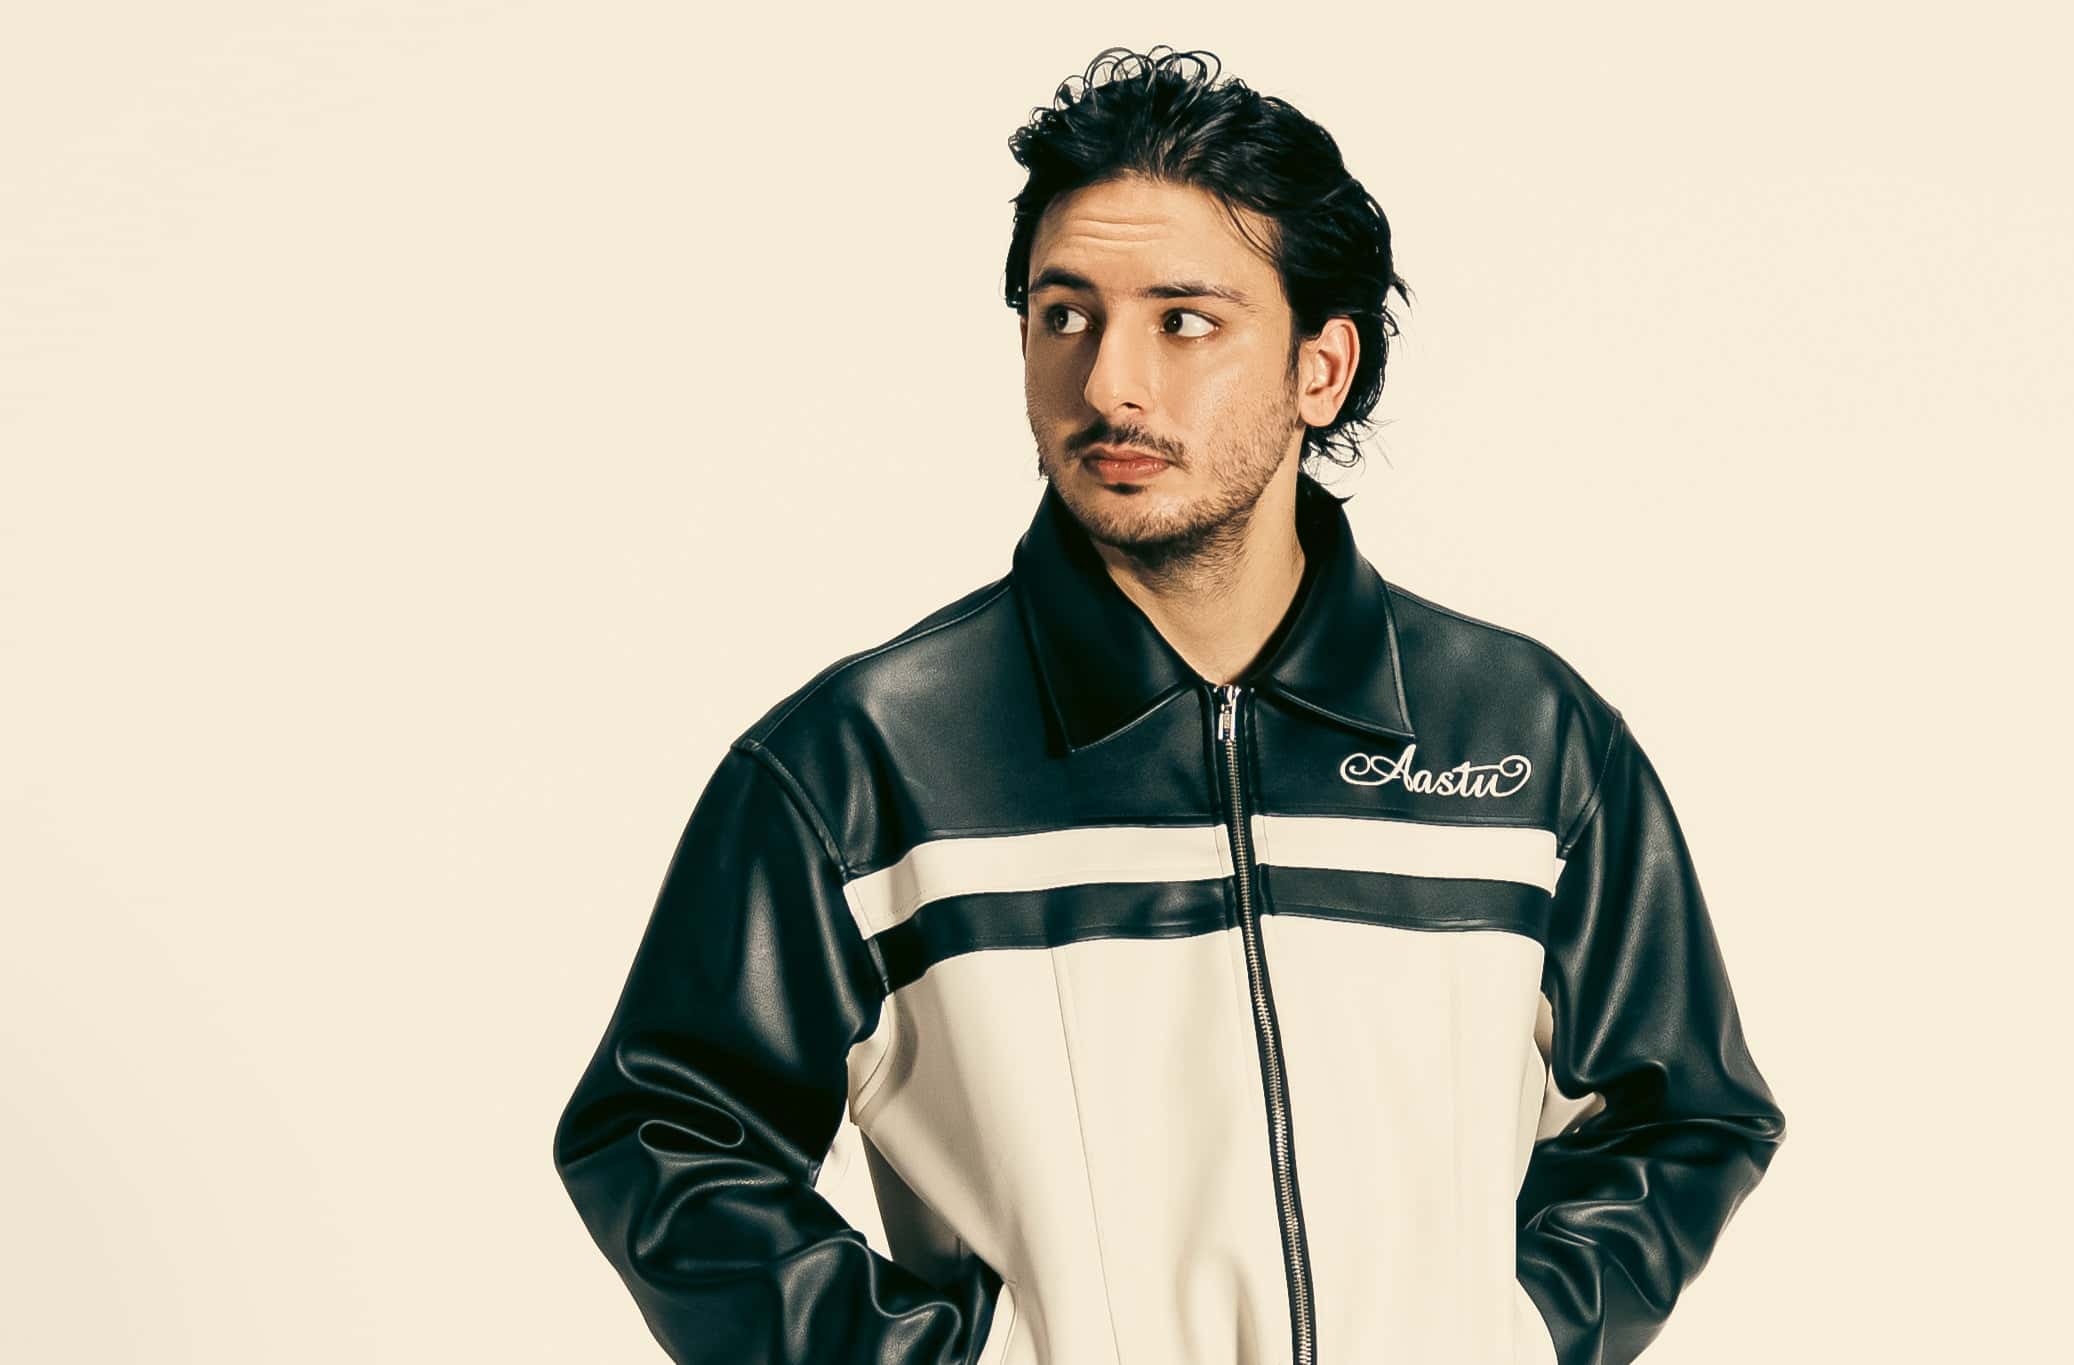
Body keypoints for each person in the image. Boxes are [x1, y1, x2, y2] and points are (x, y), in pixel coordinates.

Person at [552, 45, 1786, 1365]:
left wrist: (1513, 1334)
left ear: (1321, 369)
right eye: (1064, 316)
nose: (1108, 387)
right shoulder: (864, 761)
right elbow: (663, 1136)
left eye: (1184, 322)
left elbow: (1682, 1112)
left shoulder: (1525, 737)